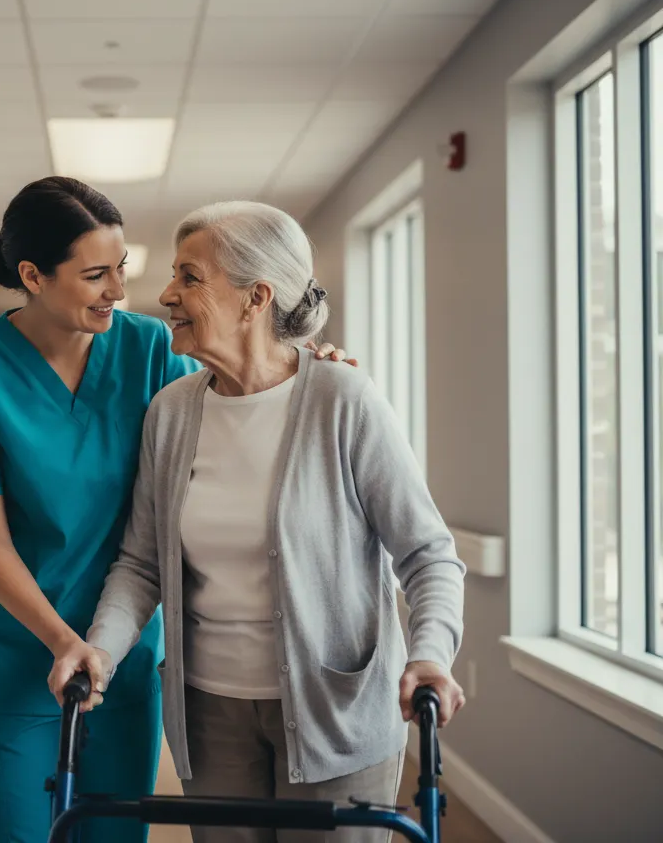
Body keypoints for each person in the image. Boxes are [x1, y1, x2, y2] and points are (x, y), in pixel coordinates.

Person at [0, 178, 356, 843]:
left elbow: (246, 390)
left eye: (121, 269)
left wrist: (308, 372)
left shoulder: (152, 348)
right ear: (33, 276)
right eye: (95, 275)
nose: (119, 291)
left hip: (120, 659)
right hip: (9, 660)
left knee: (114, 835)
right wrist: (67, 643)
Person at [49, 200, 467, 843]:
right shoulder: (171, 411)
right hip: (208, 715)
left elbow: (427, 553)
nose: (165, 293)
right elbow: (141, 563)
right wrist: (101, 649)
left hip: (336, 711)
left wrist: (432, 654)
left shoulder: (341, 398)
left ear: (256, 298)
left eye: (190, 277)